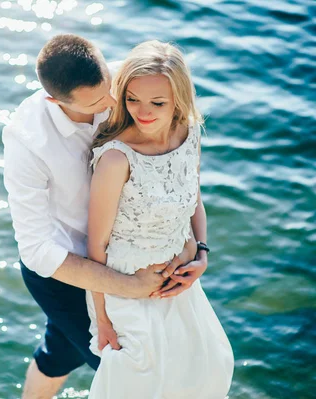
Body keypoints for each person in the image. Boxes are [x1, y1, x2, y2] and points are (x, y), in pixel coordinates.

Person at [2, 34, 209, 399]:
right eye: (98, 102)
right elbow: (37, 250)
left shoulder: (124, 86)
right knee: (125, 369)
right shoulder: (27, 140)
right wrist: (128, 286)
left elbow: (176, 172)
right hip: (69, 269)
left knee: (61, 350)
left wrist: (197, 246)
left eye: (112, 89)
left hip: (132, 256)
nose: (114, 104)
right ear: (55, 100)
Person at [86, 40, 234, 398]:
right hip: (125, 283)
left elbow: (193, 198)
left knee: (211, 365)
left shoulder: (191, 133)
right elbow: (96, 245)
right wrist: (102, 320)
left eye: (157, 102)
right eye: (132, 99)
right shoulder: (116, 160)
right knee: (139, 381)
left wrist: (201, 255)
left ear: (179, 100)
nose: (143, 111)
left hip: (180, 277)